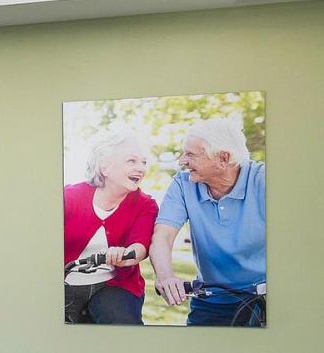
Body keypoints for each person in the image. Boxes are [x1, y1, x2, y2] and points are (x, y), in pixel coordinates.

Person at [150, 117, 266, 327]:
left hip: (267, 297)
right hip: (211, 297)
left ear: (223, 158)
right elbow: (163, 236)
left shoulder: (264, 180)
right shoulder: (183, 183)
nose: (182, 161)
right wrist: (165, 276)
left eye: (190, 154)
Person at [63, 130, 157, 324]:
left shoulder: (145, 204)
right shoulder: (69, 197)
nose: (141, 168)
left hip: (114, 285)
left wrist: (124, 254)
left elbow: (140, 246)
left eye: (143, 162)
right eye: (131, 161)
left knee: (119, 319)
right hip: (63, 283)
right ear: (105, 167)